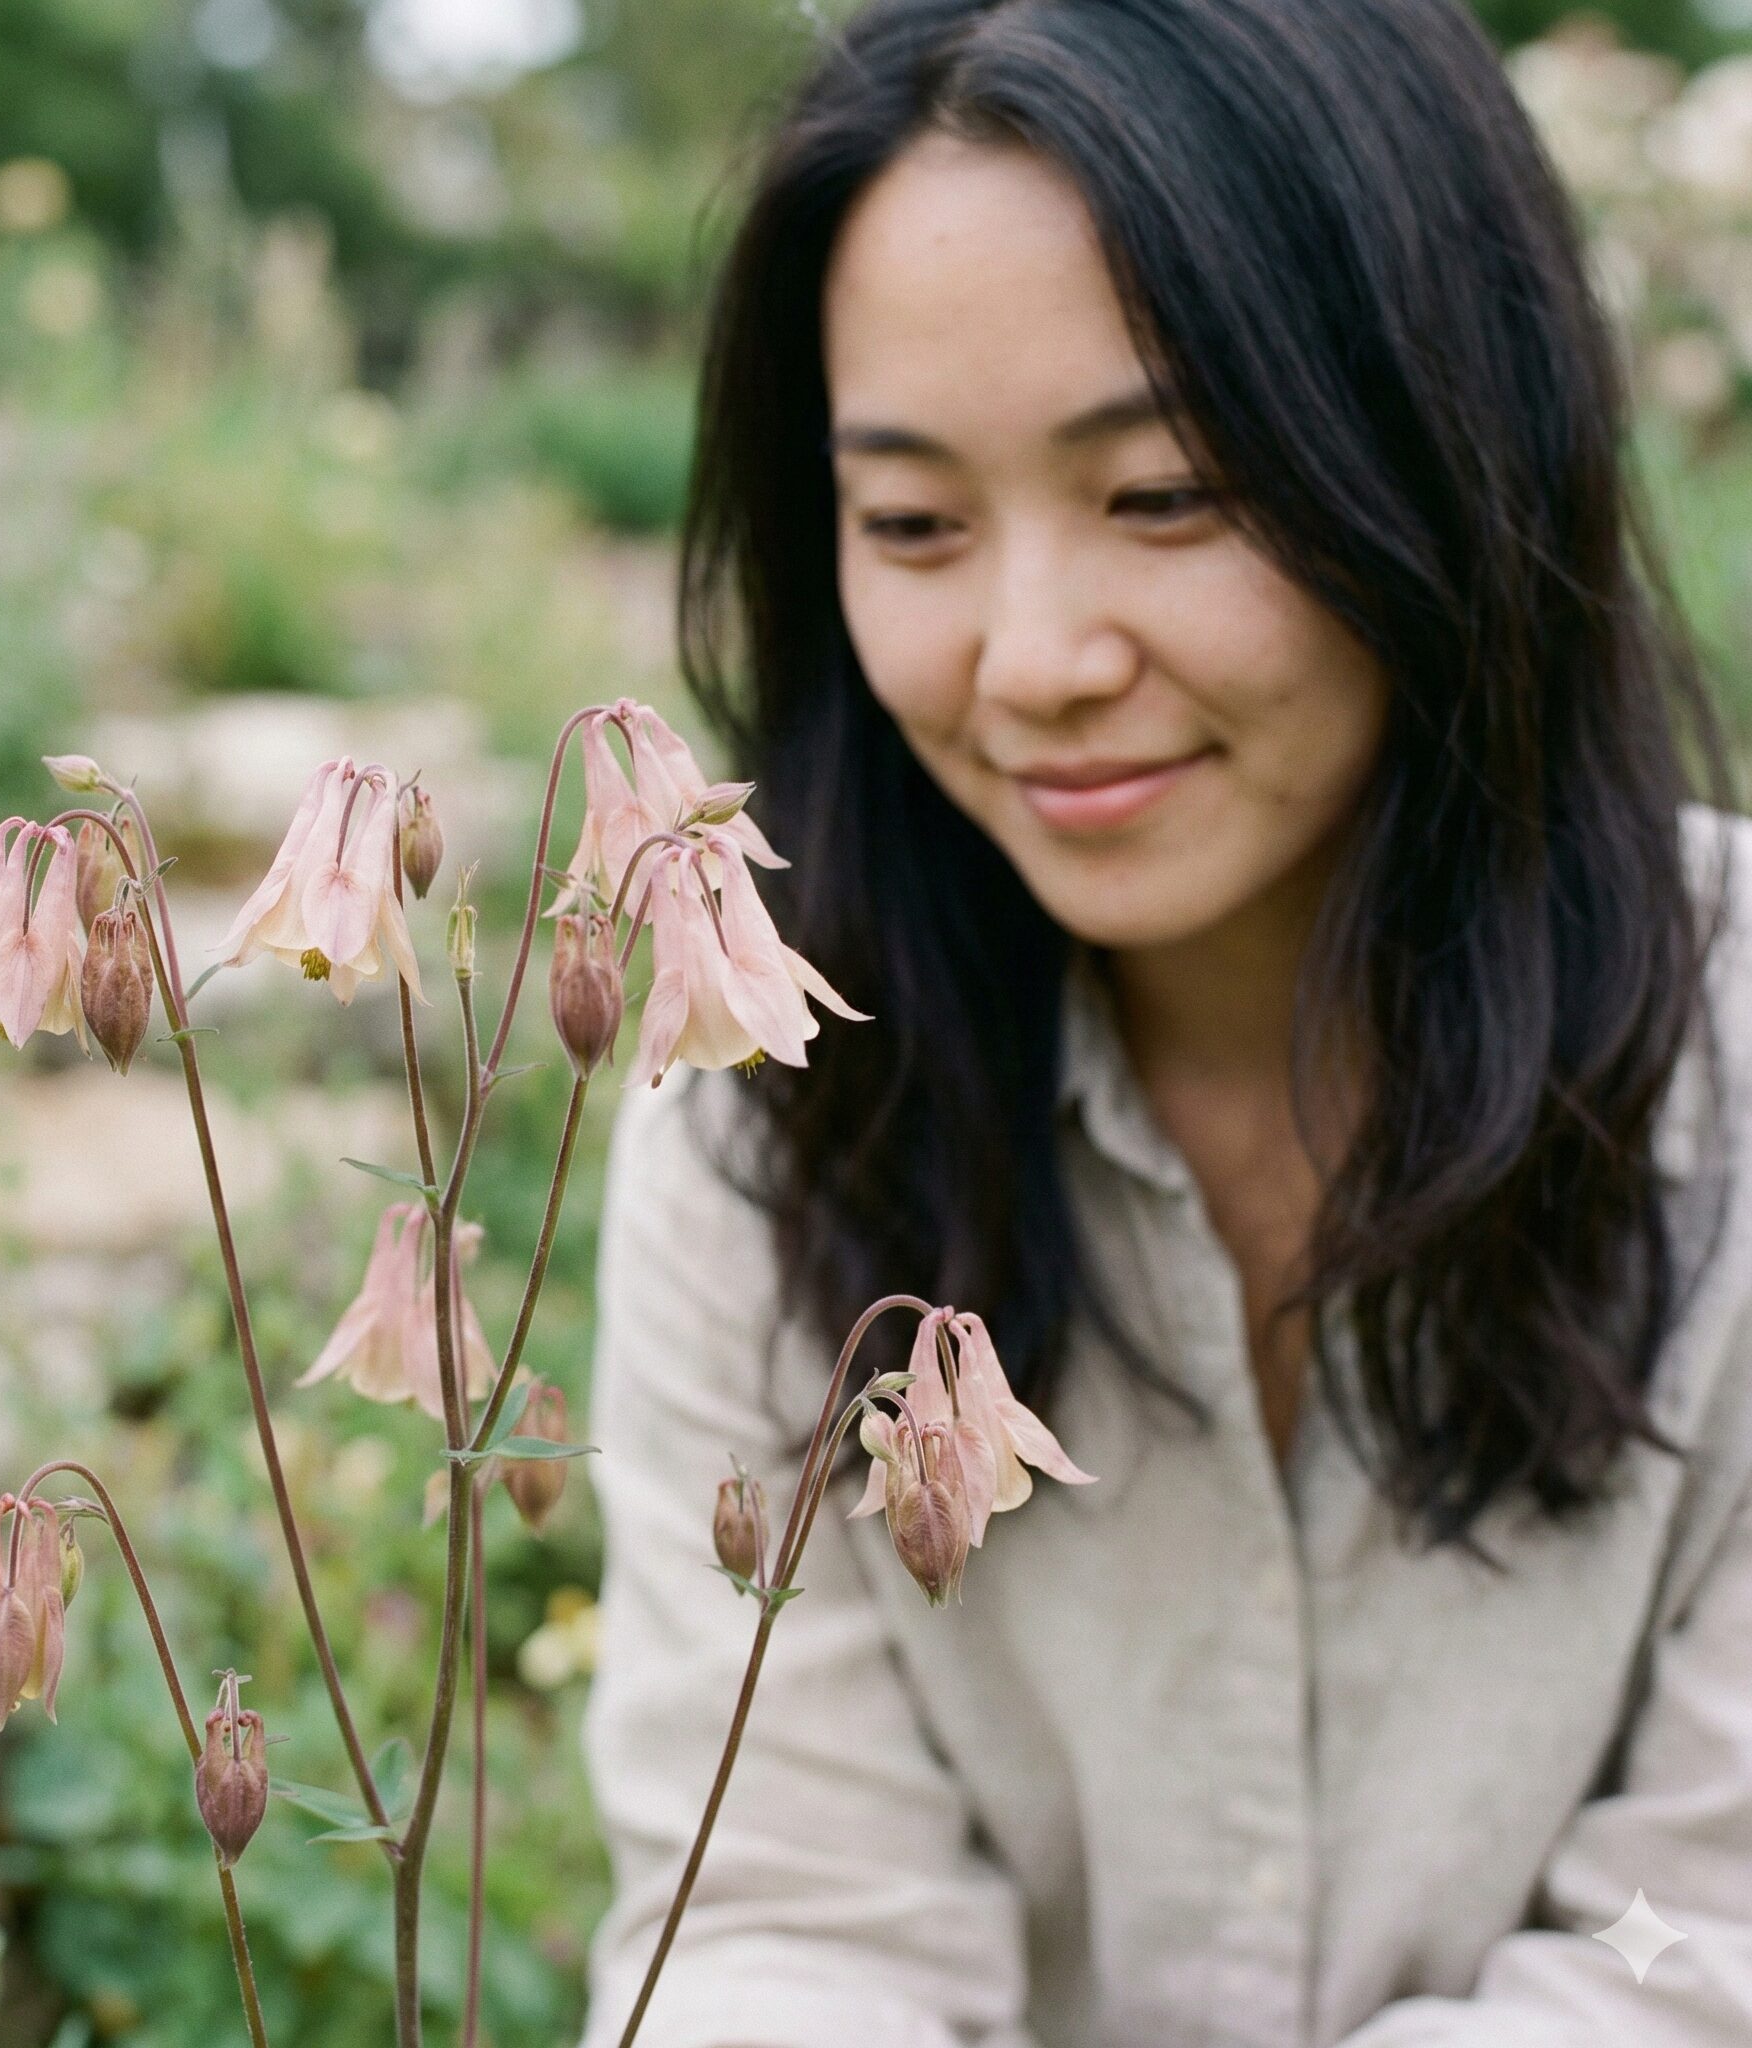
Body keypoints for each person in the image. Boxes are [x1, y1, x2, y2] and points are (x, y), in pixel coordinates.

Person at [576, 1, 1752, 2043]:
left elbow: (1704, 1956)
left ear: (1450, 447)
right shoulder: (765, 1121)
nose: (1028, 662)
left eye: (1169, 492)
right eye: (916, 525)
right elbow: (775, 1924)